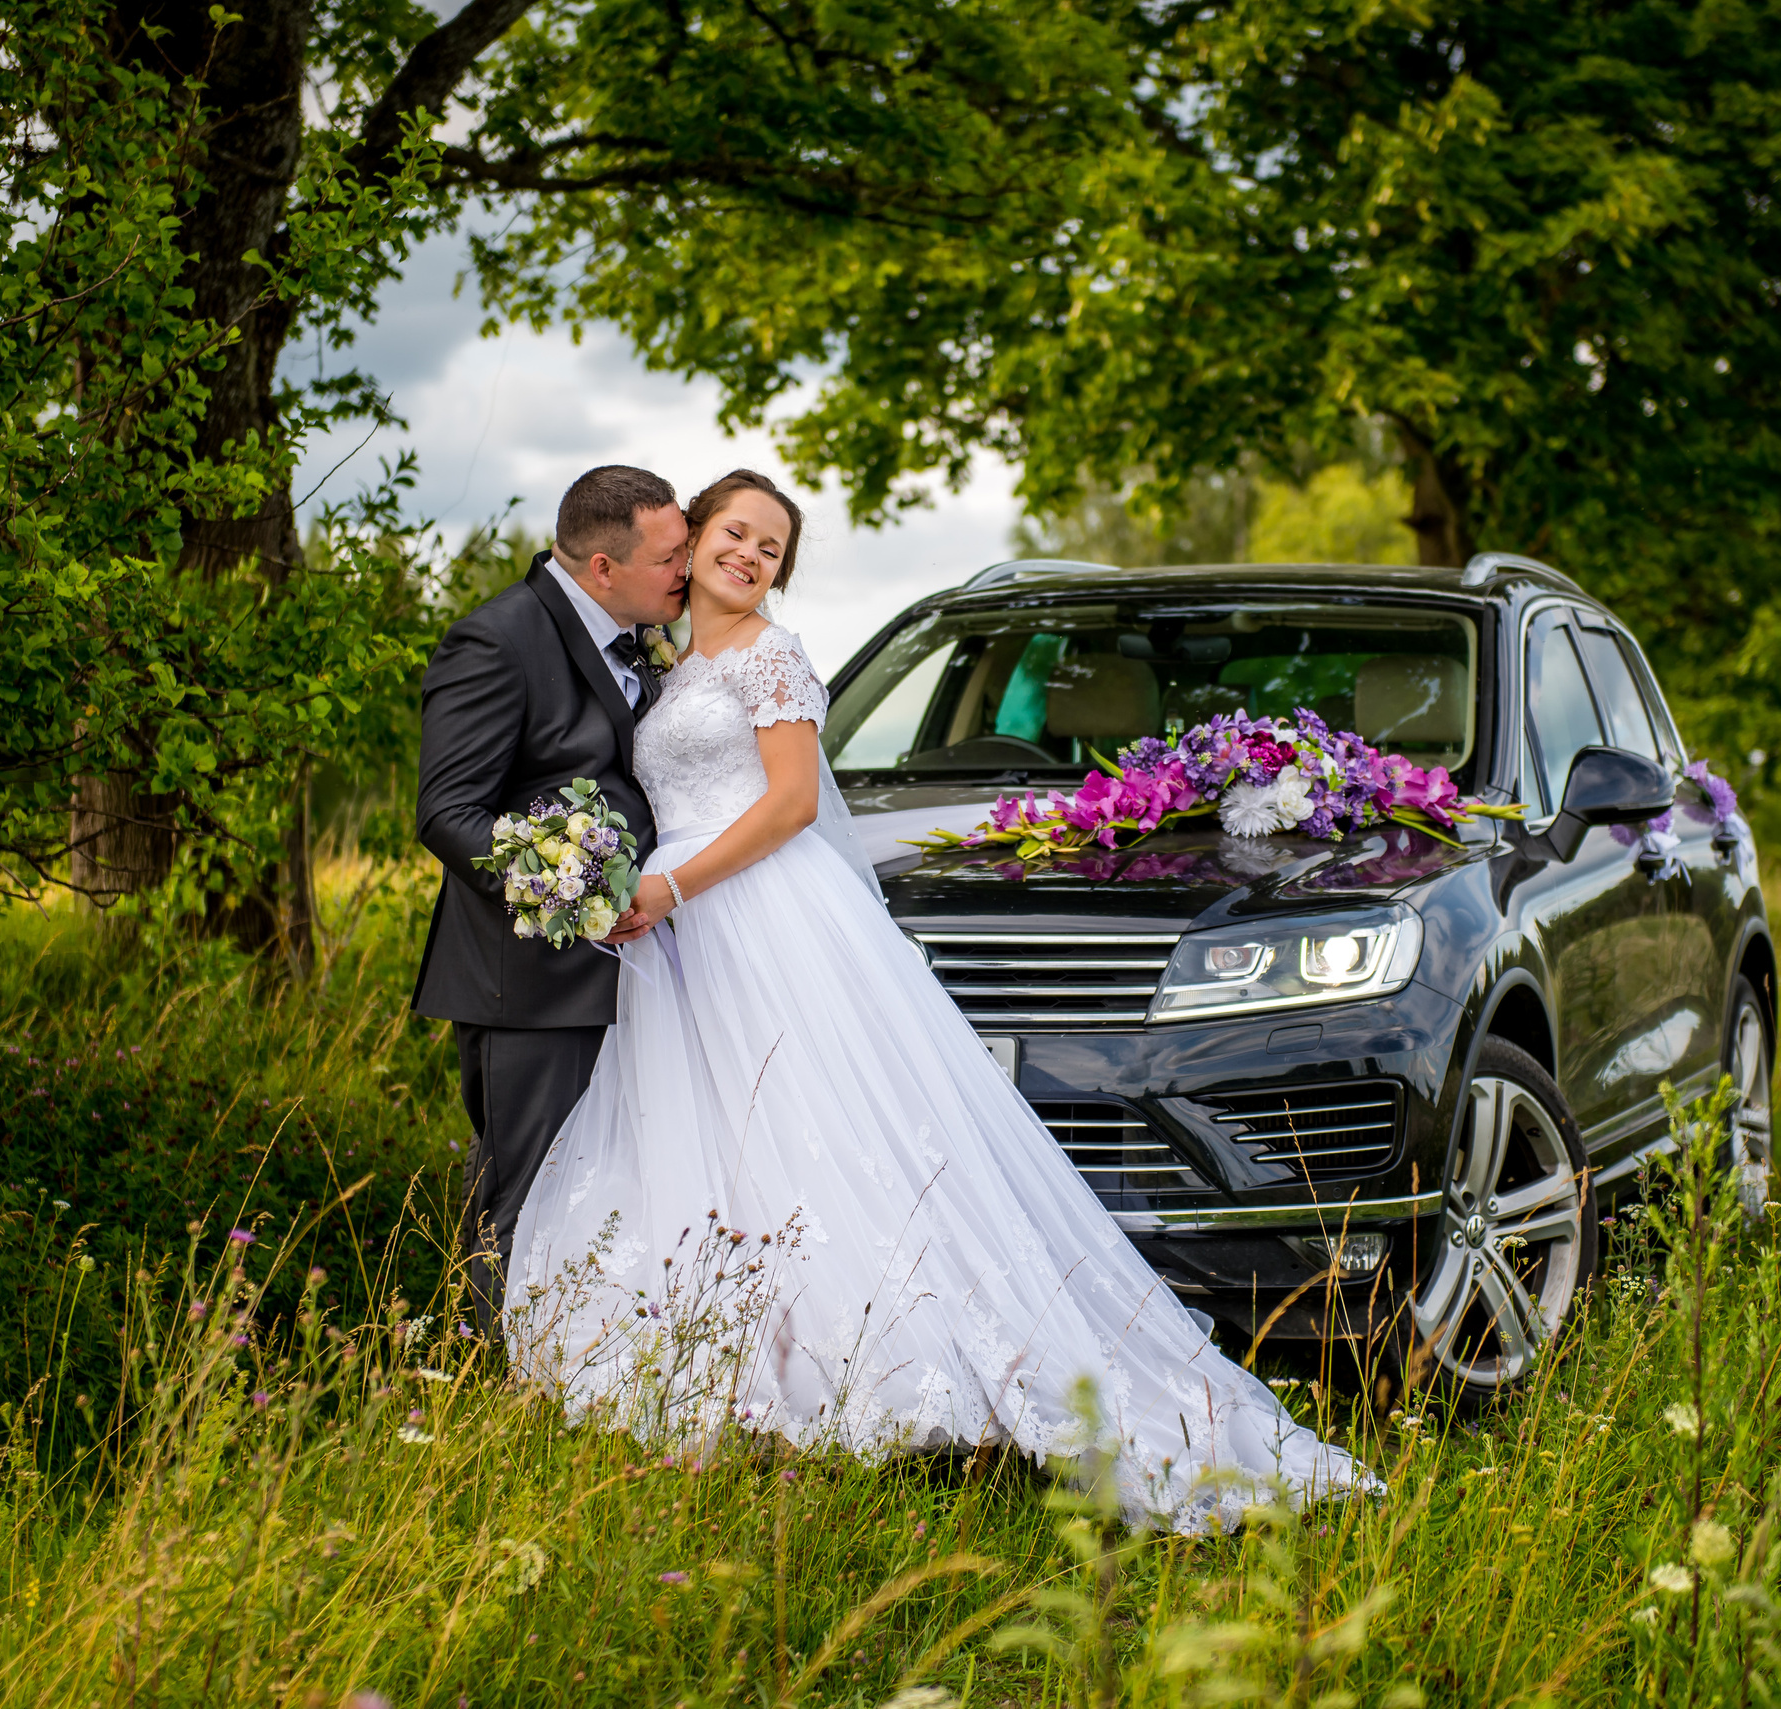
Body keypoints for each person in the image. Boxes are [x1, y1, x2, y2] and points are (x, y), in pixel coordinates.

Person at [504, 469, 1372, 1530]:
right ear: (690, 545)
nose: (750, 556)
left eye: (772, 547)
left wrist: (671, 881)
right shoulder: (675, 667)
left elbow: (785, 806)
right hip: (689, 931)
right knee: (727, 1139)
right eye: (734, 533)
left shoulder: (773, 656)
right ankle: (742, 1378)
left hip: (757, 908)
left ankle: (914, 1367)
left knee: (819, 1134)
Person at [412, 465, 689, 1336]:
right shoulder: (496, 640)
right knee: (522, 1194)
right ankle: (489, 1385)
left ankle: (577, 1373)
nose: (685, 570)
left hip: (623, 973)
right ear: (602, 568)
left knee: (599, 1189)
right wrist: (574, 894)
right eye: (670, 555)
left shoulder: (637, 633)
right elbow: (448, 811)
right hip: (529, 976)